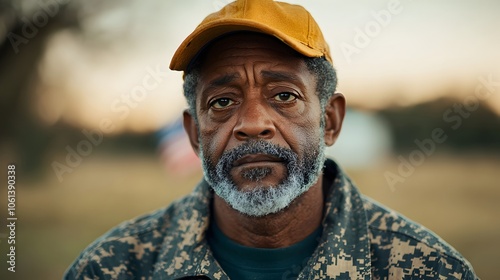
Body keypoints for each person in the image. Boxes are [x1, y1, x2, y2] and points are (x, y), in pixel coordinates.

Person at [64, 0, 478, 279]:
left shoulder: (428, 267)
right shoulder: (113, 267)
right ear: (193, 134)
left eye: (285, 96)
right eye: (223, 101)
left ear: (330, 121)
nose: (253, 123)